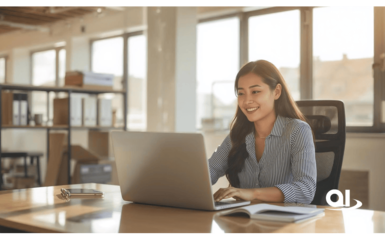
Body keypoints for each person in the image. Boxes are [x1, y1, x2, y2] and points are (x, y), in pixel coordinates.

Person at [209, 60, 316, 204]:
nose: (247, 101)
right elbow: (209, 171)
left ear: (276, 92)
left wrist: (251, 193)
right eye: (241, 93)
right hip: (242, 220)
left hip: (284, 222)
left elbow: (305, 190)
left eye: (255, 92)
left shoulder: (297, 131)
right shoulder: (237, 135)